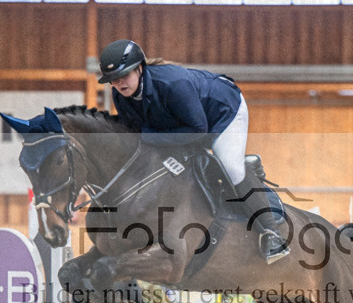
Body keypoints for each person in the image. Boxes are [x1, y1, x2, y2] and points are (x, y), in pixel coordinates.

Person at [97, 38, 288, 263]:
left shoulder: (172, 83)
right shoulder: (121, 97)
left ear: (139, 68)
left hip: (221, 113)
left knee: (231, 168)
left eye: (124, 75)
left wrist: (149, 138)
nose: (119, 83)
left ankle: (271, 232)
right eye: (113, 79)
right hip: (182, 124)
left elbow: (198, 130)